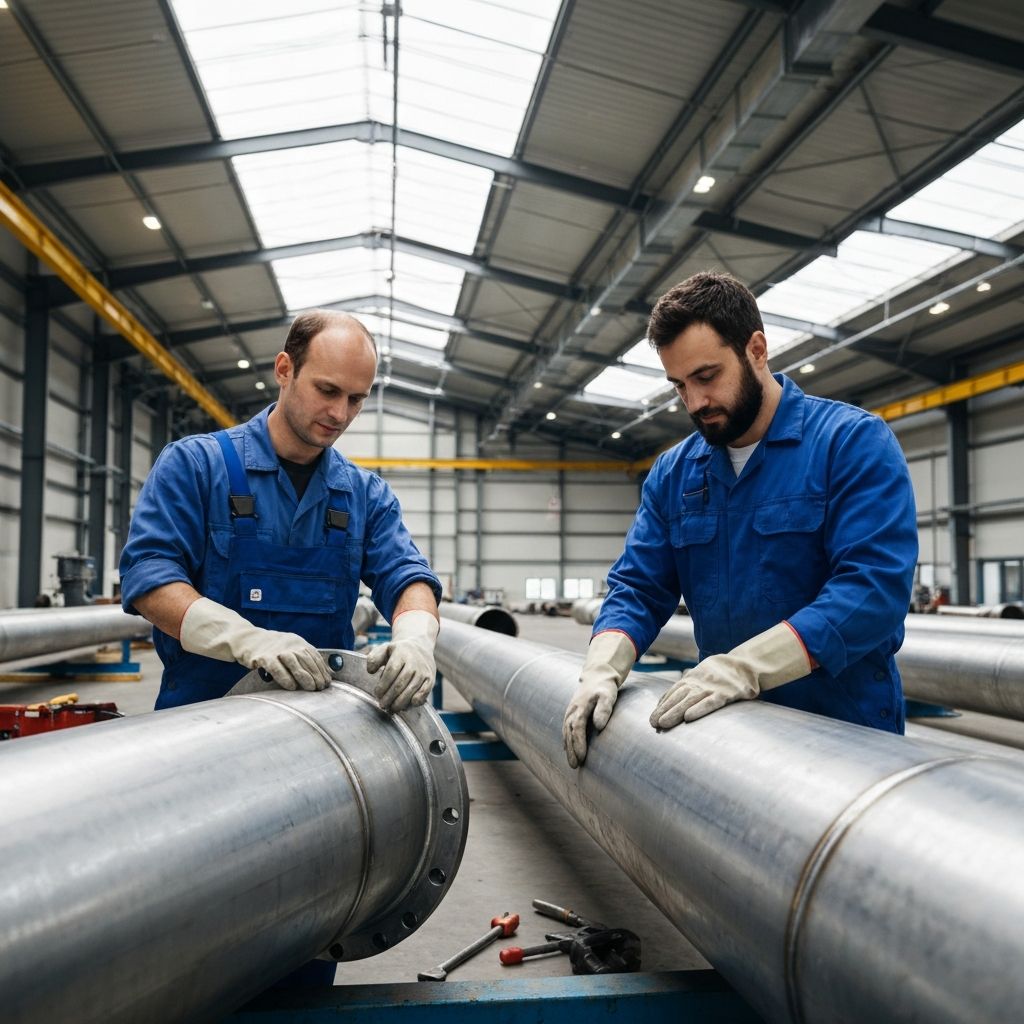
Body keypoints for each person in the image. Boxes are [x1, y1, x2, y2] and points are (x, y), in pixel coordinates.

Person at [563, 272, 917, 768]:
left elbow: (872, 592)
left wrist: (744, 668)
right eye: (679, 386)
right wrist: (602, 669)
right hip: (730, 733)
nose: (694, 403)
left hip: (846, 735)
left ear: (756, 349)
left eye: (706, 377)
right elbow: (639, 588)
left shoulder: (851, 444)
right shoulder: (673, 472)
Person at [120, 309, 442, 717]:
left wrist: (416, 638)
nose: (340, 414)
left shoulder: (364, 494)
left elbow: (407, 575)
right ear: (284, 369)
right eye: (327, 390)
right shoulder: (196, 466)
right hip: (200, 719)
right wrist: (247, 640)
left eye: (356, 399)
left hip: (322, 727)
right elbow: (150, 579)